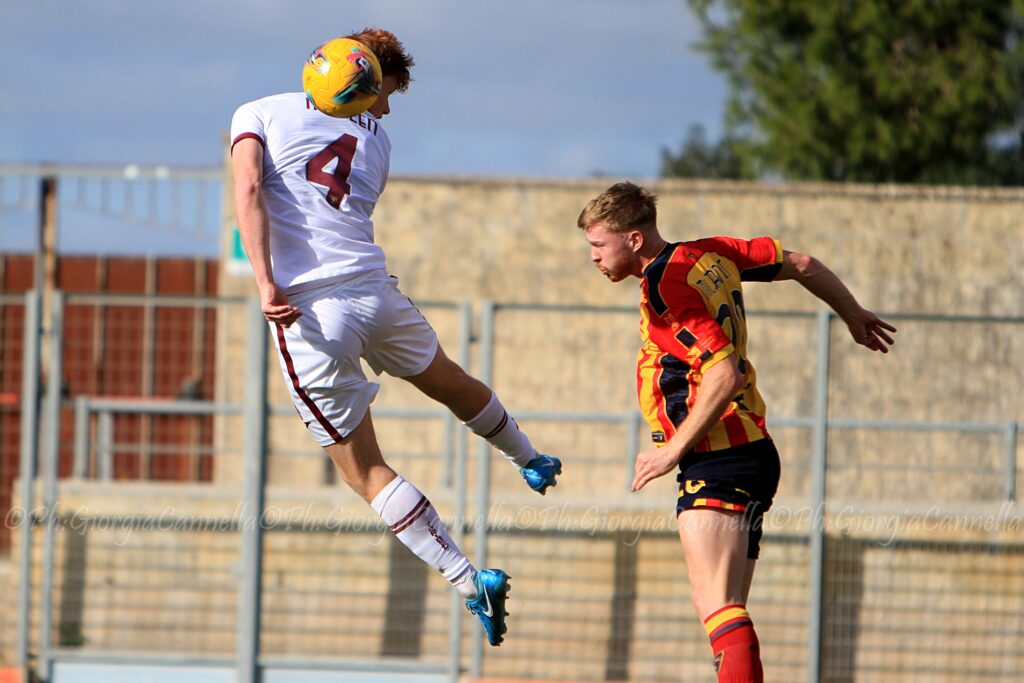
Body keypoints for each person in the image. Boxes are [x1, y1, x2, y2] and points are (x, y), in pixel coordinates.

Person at [230, 27, 561, 647]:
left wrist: (265, 283)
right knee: (448, 381)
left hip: (306, 312)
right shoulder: (378, 140)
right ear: (363, 81)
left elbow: (249, 187)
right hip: (373, 290)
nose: (383, 109)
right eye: (383, 94)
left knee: (364, 471)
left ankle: (469, 580)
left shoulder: (256, 113)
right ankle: (530, 457)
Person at [577, 182, 895, 682]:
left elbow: (725, 373)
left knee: (716, 603)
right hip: (746, 451)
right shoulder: (708, 253)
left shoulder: (666, 288)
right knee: (727, 611)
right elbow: (803, 264)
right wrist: (850, 312)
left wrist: (671, 451)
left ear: (633, 240)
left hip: (718, 454)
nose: (593, 258)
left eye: (598, 246)